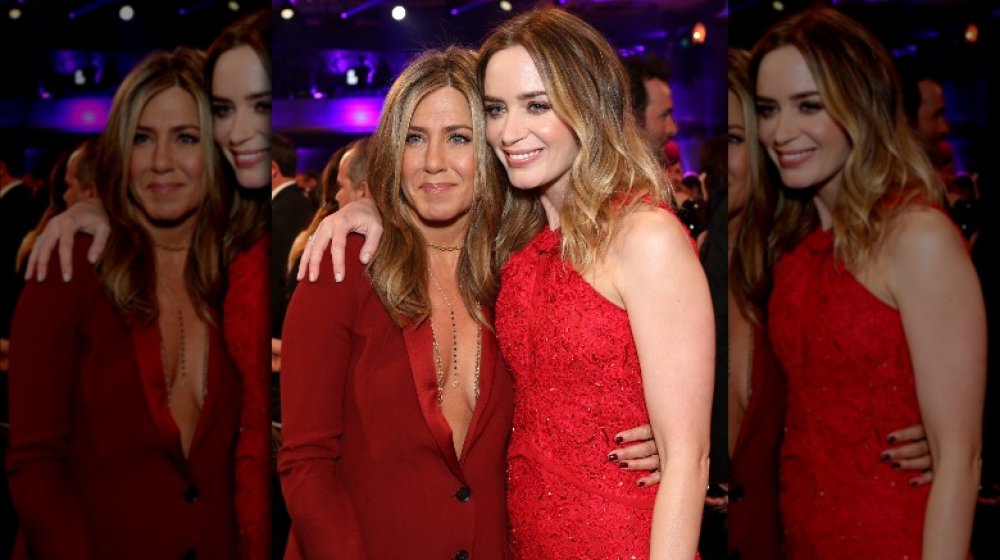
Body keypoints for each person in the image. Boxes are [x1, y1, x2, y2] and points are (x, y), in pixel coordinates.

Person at [300, 9, 712, 558]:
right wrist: (370, 207)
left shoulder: (646, 236)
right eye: (496, 110)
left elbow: (689, 455)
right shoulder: (518, 251)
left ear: (587, 107)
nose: (510, 131)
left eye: (536, 104)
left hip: (617, 536)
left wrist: (674, 447)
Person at [24, 9, 273, 559]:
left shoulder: (233, 277)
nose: (161, 162)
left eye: (184, 138)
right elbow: (34, 467)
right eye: (142, 139)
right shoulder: (70, 268)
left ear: (213, 149)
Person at [748, 8, 984, 557]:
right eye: (768, 110)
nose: (781, 133)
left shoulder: (918, 238)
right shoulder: (795, 253)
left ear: (862, 106)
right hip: (807, 536)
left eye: (809, 106)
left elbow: (960, 456)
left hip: (899, 535)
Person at [279, 46, 514, 560]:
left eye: (458, 138)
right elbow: (306, 461)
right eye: (414, 138)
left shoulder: (521, 271)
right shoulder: (343, 263)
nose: (433, 162)